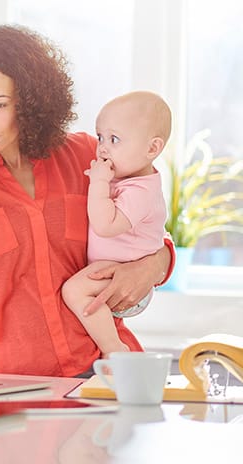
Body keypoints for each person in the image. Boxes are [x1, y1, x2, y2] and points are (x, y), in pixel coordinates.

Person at [0, 24, 174, 377]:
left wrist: (153, 265)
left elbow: (145, 218)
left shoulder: (87, 155)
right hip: (11, 382)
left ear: (29, 100)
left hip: (104, 370)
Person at [61, 91, 172, 359]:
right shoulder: (127, 179)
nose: (102, 148)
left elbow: (105, 225)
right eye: (100, 137)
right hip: (114, 271)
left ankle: (114, 349)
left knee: (74, 290)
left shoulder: (140, 191)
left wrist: (98, 183)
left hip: (123, 276)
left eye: (114, 139)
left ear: (152, 149)